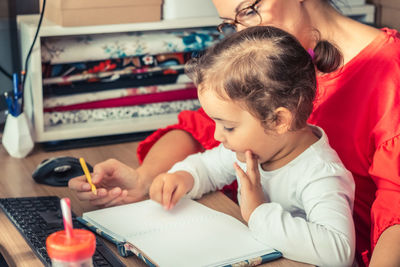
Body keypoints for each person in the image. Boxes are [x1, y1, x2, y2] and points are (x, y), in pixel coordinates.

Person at [68, 0, 400, 265]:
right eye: (230, 22)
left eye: (248, 10)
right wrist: (147, 178)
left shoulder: (390, 73)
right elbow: (203, 133)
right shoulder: (262, 66)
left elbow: (393, 215)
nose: (241, 31)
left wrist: (258, 214)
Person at [148, 25, 356, 266]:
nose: (217, 135)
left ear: (278, 120)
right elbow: (208, 167)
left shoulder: (320, 174)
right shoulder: (251, 151)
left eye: (228, 126)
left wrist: (258, 212)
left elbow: (339, 252)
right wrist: (183, 177)